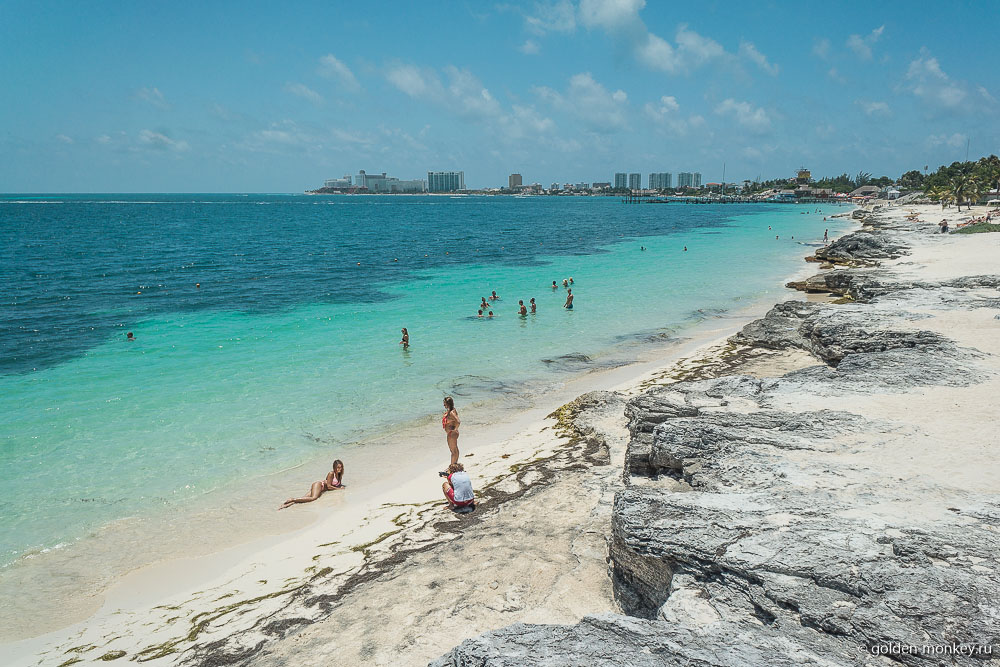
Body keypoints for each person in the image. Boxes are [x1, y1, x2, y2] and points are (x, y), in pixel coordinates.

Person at [279, 460, 346, 509]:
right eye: (338, 467)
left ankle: (286, 505)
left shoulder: (340, 475)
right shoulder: (331, 473)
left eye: (340, 467)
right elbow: (329, 486)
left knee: (303, 499)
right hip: (319, 485)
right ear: (334, 467)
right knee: (314, 498)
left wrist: (341, 486)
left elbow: (335, 484)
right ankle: (292, 499)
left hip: (320, 489)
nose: (339, 469)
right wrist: (339, 489)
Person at [442, 396, 460, 466]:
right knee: (455, 450)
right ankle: (454, 465)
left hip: (452, 434)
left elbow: (458, 421)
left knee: (453, 451)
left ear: (448, 404)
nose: (444, 405)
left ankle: (452, 466)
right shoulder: (451, 410)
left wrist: (454, 430)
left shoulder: (452, 412)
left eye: (445, 403)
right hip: (452, 433)